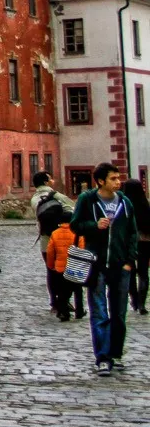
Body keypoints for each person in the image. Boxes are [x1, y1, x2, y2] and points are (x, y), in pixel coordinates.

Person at [70, 161, 140, 376]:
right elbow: (75, 225)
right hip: (96, 263)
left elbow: (132, 232)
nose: (118, 182)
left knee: (119, 313)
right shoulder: (88, 200)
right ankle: (102, 357)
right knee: (99, 311)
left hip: (120, 264)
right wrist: (94, 225)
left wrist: (130, 260)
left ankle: (115, 353)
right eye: (113, 178)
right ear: (101, 181)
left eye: (118, 178)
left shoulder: (125, 202)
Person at [31, 171, 77, 313]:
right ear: (46, 182)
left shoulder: (34, 199)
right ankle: (64, 300)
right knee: (65, 270)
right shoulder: (56, 195)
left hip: (46, 239)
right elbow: (73, 209)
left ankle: (54, 302)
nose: (53, 181)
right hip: (62, 238)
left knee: (51, 270)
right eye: (51, 179)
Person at [45, 206, 81, 322]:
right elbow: (82, 249)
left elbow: (50, 252)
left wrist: (51, 265)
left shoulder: (55, 233)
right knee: (73, 289)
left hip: (60, 267)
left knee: (61, 290)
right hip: (74, 267)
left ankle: (63, 312)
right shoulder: (77, 233)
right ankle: (78, 311)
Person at [120, 178, 150, 315]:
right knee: (143, 273)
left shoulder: (123, 205)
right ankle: (141, 303)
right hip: (144, 241)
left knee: (130, 272)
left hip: (127, 243)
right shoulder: (145, 204)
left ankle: (134, 300)